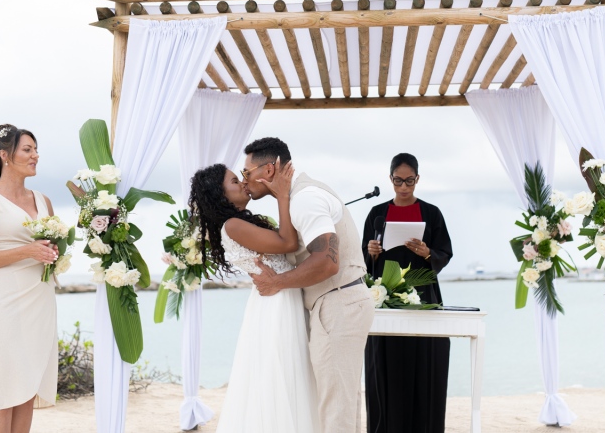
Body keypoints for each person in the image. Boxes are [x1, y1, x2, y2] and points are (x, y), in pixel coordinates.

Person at [245, 137, 374, 433]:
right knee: (344, 403)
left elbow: (328, 261)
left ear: (269, 169)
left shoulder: (305, 198)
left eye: (246, 172)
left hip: (338, 303)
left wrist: (276, 282)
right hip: (341, 302)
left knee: (336, 408)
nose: (245, 180)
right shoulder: (297, 197)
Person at [188, 160, 321, 433]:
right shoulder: (233, 226)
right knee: (281, 374)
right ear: (220, 195)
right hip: (277, 303)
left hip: (276, 298)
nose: (244, 183)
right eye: (235, 181)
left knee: (282, 375)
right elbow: (288, 243)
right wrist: (283, 195)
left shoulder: (237, 223)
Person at [0, 124, 59, 432]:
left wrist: (53, 254)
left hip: (39, 302)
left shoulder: (43, 201)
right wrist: (28, 251)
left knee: (26, 393)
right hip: (3, 304)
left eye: (35, 150)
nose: (35, 156)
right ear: (5, 155)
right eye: (27, 150)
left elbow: (45, 251)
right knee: (3, 395)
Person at [361, 152, 453, 433]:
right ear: (390, 179)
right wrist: (371, 252)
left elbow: (444, 252)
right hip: (386, 296)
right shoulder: (377, 213)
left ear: (417, 179)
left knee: (425, 361)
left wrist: (428, 252)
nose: (403, 187)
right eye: (398, 181)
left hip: (422, 294)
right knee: (385, 364)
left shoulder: (431, 212)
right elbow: (364, 260)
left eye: (409, 181)